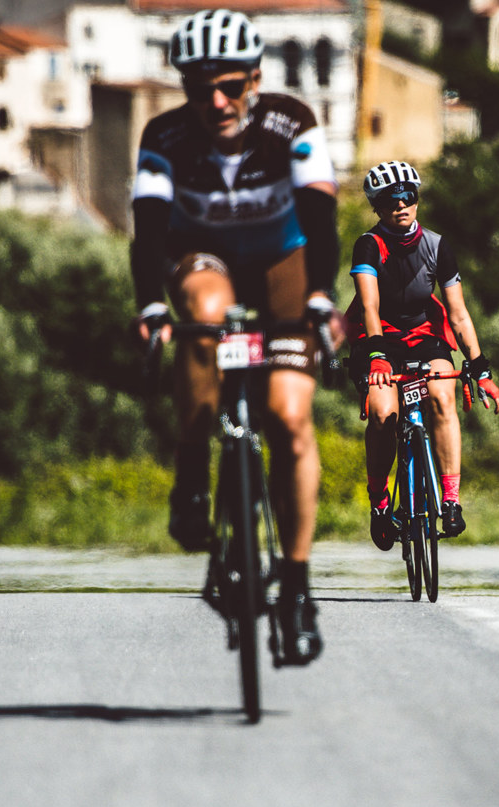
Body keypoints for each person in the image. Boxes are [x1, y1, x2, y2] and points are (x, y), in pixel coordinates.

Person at [132, 9, 341, 664]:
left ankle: (298, 590)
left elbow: (321, 217)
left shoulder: (291, 123)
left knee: (291, 419)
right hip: (206, 260)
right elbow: (149, 227)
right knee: (203, 309)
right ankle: (193, 466)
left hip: (283, 262)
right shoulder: (165, 135)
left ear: (254, 79)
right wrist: (149, 304)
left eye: (228, 86)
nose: (215, 102)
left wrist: (319, 295)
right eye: (200, 89)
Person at [346, 161, 499, 551]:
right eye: (390, 200)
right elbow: (368, 305)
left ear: (416, 200)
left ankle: (450, 500)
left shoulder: (436, 245)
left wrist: (480, 369)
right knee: (383, 412)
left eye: (408, 196)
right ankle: (381, 502)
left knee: (442, 397)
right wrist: (378, 355)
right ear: (377, 207)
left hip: (423, 335)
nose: (401, 205)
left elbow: (458, 313)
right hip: (378, 336)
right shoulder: (369, 245)